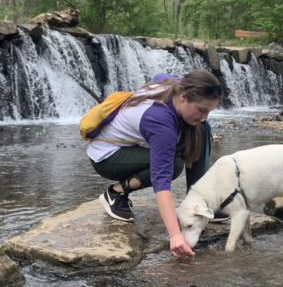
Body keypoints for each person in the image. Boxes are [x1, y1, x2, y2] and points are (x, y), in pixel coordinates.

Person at [87, 69, 224, 259]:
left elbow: (159, 75)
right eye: (202, 110)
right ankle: (115, 193)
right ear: (183, 97)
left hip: (133, 146)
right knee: (174, 165)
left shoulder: (176, 85)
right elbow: (161, 180)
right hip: (107, 157)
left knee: (201, 128)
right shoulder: (160, 122)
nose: (205, 115)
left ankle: (200, 202)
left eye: (209, 111)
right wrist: (175, 235)